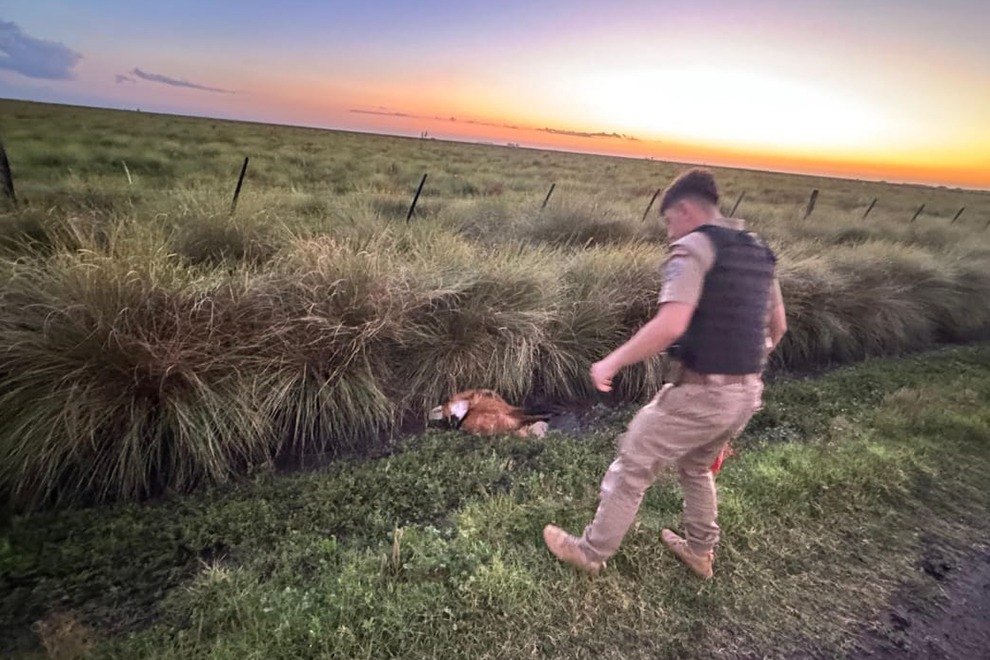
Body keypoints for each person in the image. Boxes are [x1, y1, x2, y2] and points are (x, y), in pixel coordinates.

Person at [543, 168, 787, 579]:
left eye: (669, 222)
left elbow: (672, 324)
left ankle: (590, 551)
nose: (670, 233)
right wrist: (743, 366)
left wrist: (611, 361)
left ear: (686, 210)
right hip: (747, 393)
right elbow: (778, 327)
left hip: (702, 393)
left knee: (634, 463)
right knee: (696, 467)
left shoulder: (694, 247)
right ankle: (700, 551)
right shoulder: (758, 250)